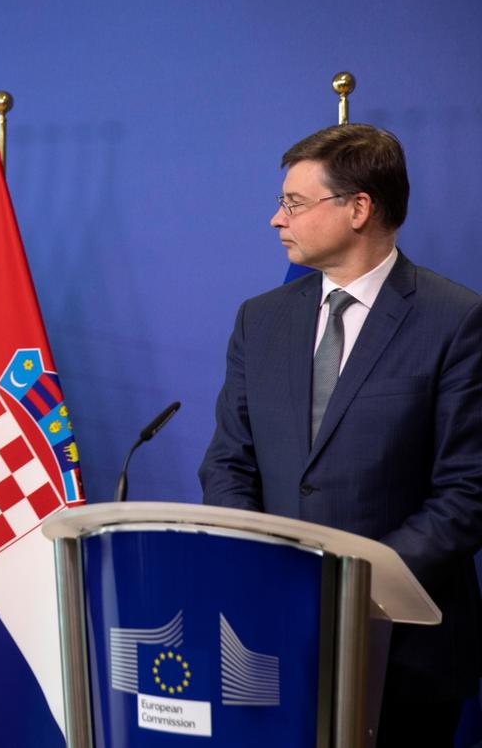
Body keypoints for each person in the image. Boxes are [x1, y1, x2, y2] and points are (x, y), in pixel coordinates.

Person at [198, 123, 482, 746]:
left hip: (403, 652)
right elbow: (228, 464)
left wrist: (348, 588)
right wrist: (266, 574)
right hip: (269, 638)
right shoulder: (261, 319)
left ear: (359, 208)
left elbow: (466, 494)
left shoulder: (456, 320)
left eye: (294, 204)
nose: (277, 219)